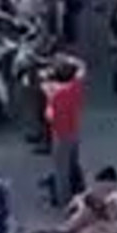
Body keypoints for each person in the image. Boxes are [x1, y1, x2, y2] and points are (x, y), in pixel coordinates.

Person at [42, 55, 87, 206]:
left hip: (60, 135)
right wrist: (68, 60)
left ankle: (65, 201)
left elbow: (49, 116)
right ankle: (76, 190)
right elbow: (82, 67)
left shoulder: (55, 95)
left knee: (61, 171)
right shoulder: (75, 86)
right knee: (72, 163)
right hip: (74, 130)